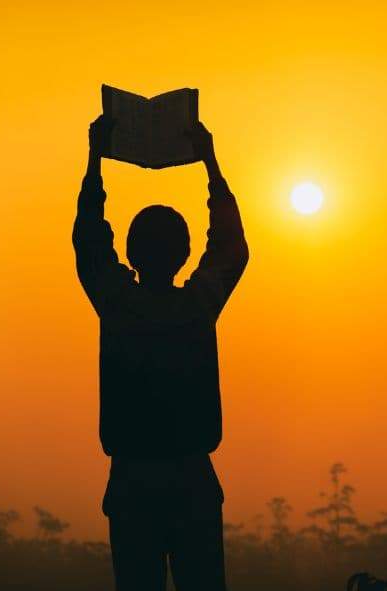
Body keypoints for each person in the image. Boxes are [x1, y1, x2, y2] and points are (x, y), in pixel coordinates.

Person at [73, 114, 249, 591]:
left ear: (129, 253)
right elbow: (232, 249)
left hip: (132, 485)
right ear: (186, 252)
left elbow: (88, 241)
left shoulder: (118, 305)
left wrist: (96, 159)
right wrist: (210, 164)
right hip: (192, 482)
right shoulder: (195, 308)